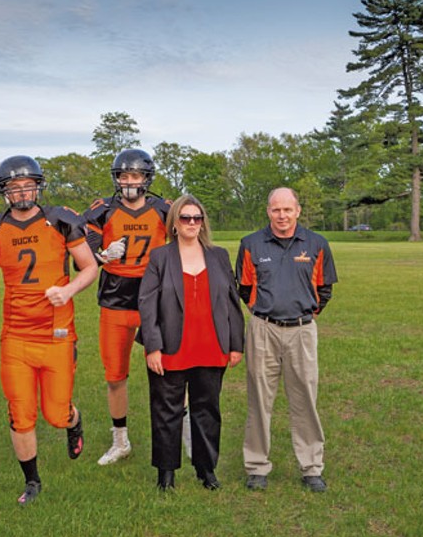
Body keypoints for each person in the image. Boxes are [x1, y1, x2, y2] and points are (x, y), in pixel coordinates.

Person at [0, 155, 98, 506]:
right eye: (14, 187)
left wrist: (69, 290)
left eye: (27, 185)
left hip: (56, 332)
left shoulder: (60, 221)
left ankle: (74, 419)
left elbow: (88, 268)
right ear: (4, 192)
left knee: (55, 415)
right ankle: (33, 481)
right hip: (15, 334)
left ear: (38, 186)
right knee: (20, 413)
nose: (22, 192)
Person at [138, 194, 244, 490]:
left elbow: (232, 303)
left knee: (207, 410)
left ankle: (206, 469)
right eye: (185, 218)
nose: (192, 223)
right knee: (166, 411)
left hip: (211, 347)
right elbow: (147, 304)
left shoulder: (219, 256)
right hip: (171, 349)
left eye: (197, 218)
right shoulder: (160, 257)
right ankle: (166, 474)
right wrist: (153, 346)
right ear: (174, 223)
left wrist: (236, 344)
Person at [236, 187, 337, 493]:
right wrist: (266, 314)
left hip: (302, 330)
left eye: (287, 210)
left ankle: (311, 467)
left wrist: (303, 316)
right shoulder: (251, 244)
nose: (281, 216)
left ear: (298, 211)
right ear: (268, 211)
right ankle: (256, 466)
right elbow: (244, 288)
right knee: (259, 399)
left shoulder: (317, 244)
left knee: (305, 398)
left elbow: (324, 290)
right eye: (275, 210)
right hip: (263, 329)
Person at [83, 149, 170, 466]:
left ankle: (178, 432)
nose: (129, 181)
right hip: (116, 296)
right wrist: (103, 254)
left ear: (146, 178)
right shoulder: (102, 211)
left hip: (154, 296)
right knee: (115, 374)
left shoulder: (164, 210)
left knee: (166, 371)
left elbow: (185, 246)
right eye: (124, 176)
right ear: (116, 178)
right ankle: (120, 440)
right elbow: (82, 255)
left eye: (135, 176)